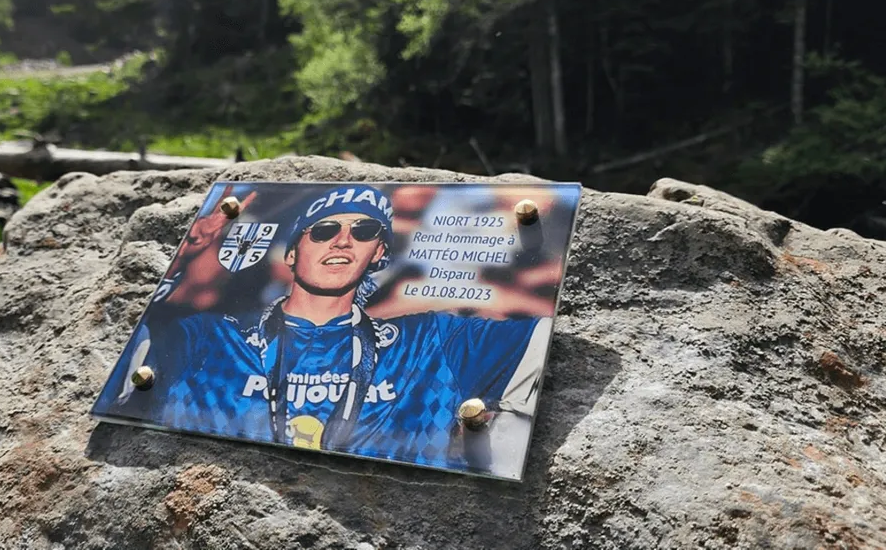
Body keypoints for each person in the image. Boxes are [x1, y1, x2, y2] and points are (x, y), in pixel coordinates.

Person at [95, 184, 553, 474]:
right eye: (323, 230)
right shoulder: (210, 338)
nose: (342, 240)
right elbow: (137, 363)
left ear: (378, 253)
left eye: (365, 231)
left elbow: (543, 337)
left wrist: (535, 246)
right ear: (293, 253)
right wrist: (185, 262)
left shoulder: (430, 341)